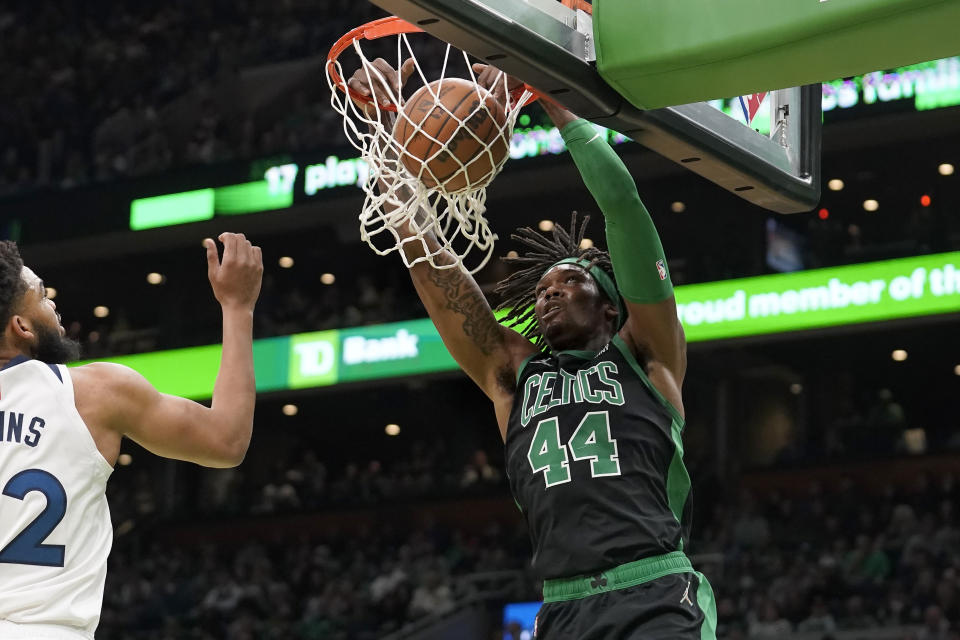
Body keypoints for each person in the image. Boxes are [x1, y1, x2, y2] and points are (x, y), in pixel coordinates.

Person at [346, 61, 716, 638]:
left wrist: (553, 93)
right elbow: (439, 277)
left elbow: (622, 204)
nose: (549, 294)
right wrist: (392, 147)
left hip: (655, 590)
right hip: (561, 606)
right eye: (541, 289)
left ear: (611, 307)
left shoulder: (647, 354)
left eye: (570, 282)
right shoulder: (513, 373)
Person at [0, 233, 262, 639]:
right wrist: (238, 307)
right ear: (22, 326)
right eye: (40, 294)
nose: (52, 301)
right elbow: (227, 441)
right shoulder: (95, 392)